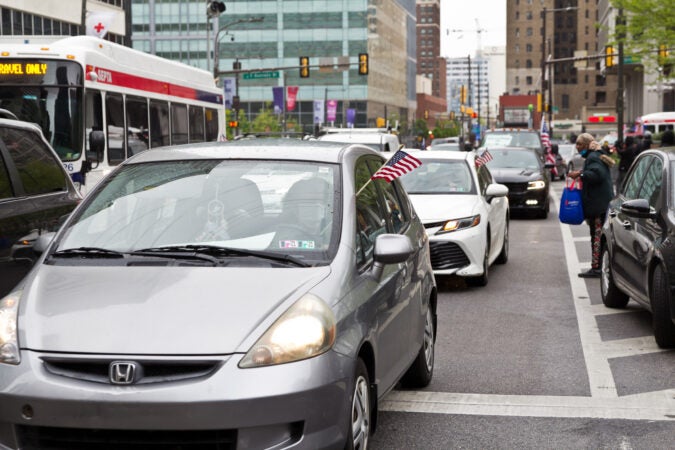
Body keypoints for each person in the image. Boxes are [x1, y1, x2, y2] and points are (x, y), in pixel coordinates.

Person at [567, 133, 615, 278]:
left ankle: (596, 268)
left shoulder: (593, 157)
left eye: (580, 144)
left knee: (597, 237)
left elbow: (597, 174)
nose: (577, 147)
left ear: (587, 144)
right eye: (576, 144)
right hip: (600, 204)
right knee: (598, 236)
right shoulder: (595, 155)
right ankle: (598, 266)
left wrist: (580, 175)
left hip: (598, 205)